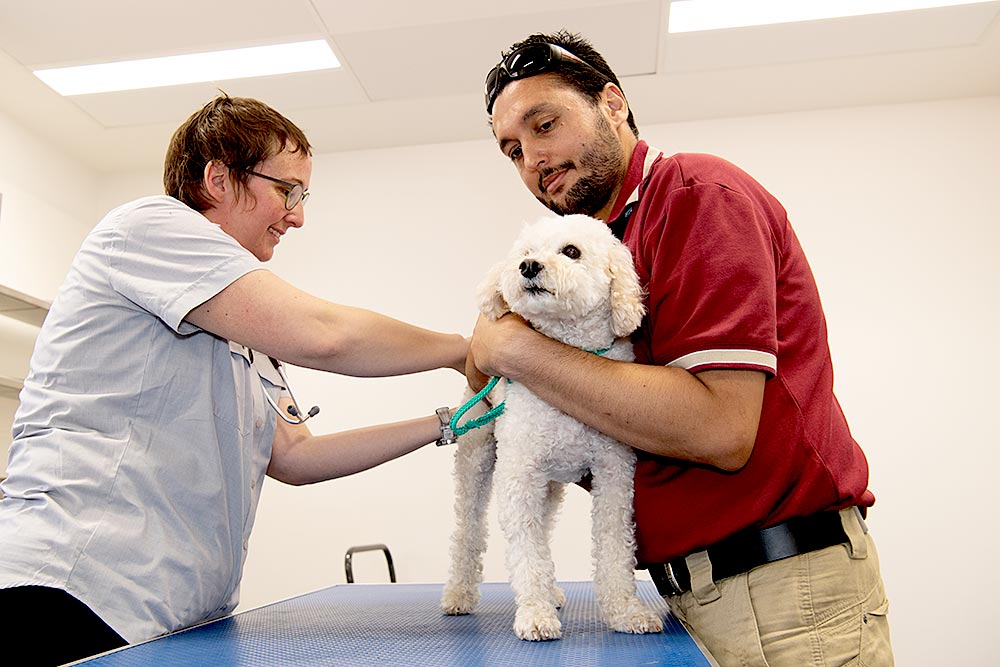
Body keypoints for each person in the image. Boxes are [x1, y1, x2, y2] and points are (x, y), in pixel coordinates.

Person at [470, 31, 893, 666]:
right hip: (689, 595)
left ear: (613, 104)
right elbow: (611, 425)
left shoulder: (696, 195)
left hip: (780, 592)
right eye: (512, 149)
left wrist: (517, 354)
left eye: (545, 124)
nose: (531, 156)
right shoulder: (606, 251)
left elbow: (721, 429)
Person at [0, 95, 467, 666]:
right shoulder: (147, 228)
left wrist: (448, 422)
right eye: (286, 190)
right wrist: (466, 351)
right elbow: (326, 335)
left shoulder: (240, 321)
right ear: (218, 178)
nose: (297, 215)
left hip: (171, 616)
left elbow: (296, 457)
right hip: (73, 590)